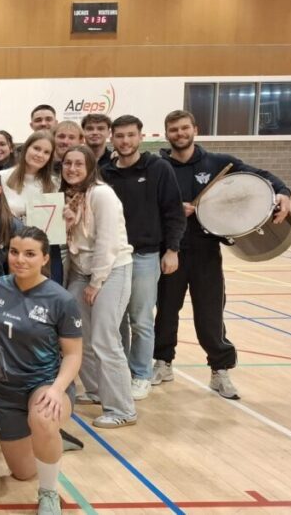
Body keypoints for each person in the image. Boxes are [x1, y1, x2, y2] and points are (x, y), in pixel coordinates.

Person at [153, 110, 291, 399]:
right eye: (173, 130)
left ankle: (220, 370)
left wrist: (283, 192)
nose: (179, 134)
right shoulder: (158, 166)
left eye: (184, 128)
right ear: (166, 134)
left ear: (195, 129)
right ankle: (163, 363)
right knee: (165, 312)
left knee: (210, 315)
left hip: (206, 254)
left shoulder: (219, 163)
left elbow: (263, 177)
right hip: (169, 252)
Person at [0, 227, 83, 515]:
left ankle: (49, 493)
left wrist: (57, 389)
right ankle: (48, 439)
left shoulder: (61, 299)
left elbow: (73, 354)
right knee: (23, 472)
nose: (20, 259)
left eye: (30, 254)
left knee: (43, 417)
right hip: (6, 389)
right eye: (14, 252)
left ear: (44, 258)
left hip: (45, 382)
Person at [99, 115, 184, 400]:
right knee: (116, 320)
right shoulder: (106, 173)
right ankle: (120, 372)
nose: (125, 141)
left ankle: (141, 374)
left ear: (140, 137)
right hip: (113, 258)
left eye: (130, 135)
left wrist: (172, 249)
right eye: (120, 136)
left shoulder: (158, 168)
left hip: (145, 256)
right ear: (112, 138)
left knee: (141, 320)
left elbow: (173, 212)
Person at [61, 145, 137, 428]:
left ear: (90, 167)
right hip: (82, 272)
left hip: (111, 270)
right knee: (80, 335)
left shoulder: (102, 194)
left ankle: (122, 409)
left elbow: (107, 242)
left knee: (105, 339)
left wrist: (96, 282)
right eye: (67, 163)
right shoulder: (71, 196)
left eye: (78, 164)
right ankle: (95, 390)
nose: (72, 169)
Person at [0, 131, 63, 283]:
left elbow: (55, 226)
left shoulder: (55, 183)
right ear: (26, 148)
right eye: (36, 148)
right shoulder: (1, 177)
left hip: (44, 251)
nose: (40, 155)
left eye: (46, 152)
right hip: (9, 248)